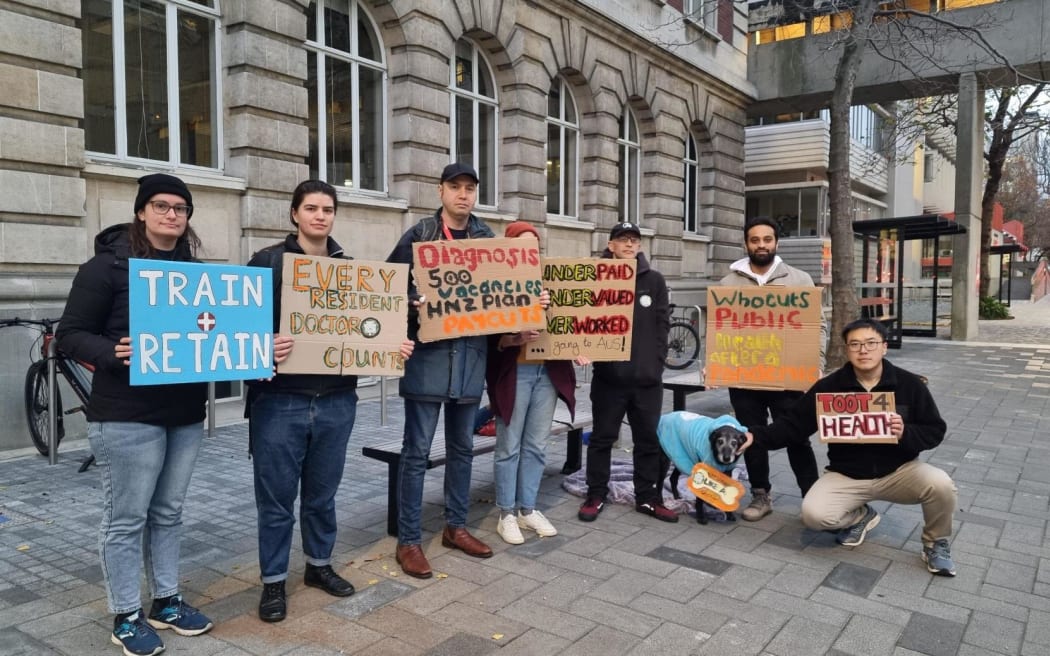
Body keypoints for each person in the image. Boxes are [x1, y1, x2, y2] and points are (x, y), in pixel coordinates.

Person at [56, 174, 214, 656]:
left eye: (180, 208)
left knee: (168, 512)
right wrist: (112, 352)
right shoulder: (104, 269)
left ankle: (166, 600)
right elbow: (70, 335)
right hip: (125, 415)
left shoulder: (197, 274)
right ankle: (126, 613)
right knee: (126, 519)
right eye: (162, 206)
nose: (172, 215)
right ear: (141, 212)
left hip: (184, 413)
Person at [246, 180, 414, 622]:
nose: (320, 216)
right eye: (311, 208)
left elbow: (372, 329)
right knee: (277, 500)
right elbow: (239, 330)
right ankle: (273, 581)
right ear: (294, 213)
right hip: (279, 402)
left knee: (322, 495)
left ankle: (319, 567)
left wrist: (394, 345)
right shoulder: (267, 263)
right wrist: (263, 345)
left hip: (338, 400)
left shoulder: (352, 270)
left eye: (327, 209)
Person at [741, 318, 958, 576]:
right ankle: (860, 516)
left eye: (870, 343)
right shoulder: (829, 388)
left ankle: (935, 543)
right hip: (846, 475)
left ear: (884, 347)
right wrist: (754, 436)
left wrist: (906, 432)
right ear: (846, 349)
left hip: (899, 472)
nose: (863, 350)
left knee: (941, 484)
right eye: (854, 344)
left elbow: (935, 430)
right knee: (813, 515)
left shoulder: (909, 384)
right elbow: (792, 426)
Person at [386, 162, 495, 578]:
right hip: (428, 360)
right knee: (416, 453)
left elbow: (503, 294)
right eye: (455, 187)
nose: (463, 194)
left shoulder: (487, 240)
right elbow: (387, 283)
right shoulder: (420, 235)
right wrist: (411, 298)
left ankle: (456, 526)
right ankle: (409, 540)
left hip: (469, 361)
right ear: (441, 191)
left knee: (462, 450)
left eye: (470, 187)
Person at [719, 215, 825, 521]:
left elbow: (817, 325)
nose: (761, 245)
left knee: (797, 436)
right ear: (746, 244)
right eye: (755, 240)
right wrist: (715, 366)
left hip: (788, 377)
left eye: (767, 239)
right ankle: (761, 495)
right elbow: (720, 329)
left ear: (776, 243)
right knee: (750, 437)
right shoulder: (728, 283)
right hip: (744, 378)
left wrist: (814, 364)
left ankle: (812, 497)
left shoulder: (800, 280)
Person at [486, 221, 583, 544]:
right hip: (515, 374)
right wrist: (513, 338)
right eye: (521, 247)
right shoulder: (496, 283)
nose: (529, 253)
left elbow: (575, 318)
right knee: (509, 445)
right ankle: (506, 513)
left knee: (537, 446)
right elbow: (488, 337)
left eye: (534, 248)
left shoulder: (552, 282)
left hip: (548, 373)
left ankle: (527, 508)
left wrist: (582, 347)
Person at [578, 221, 673, 523]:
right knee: (602, 439)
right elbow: (583, 318)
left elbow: (662, 325)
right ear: (611, 245)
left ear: (640, 246)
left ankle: (647, 497)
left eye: (634, 240)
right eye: (623, 240)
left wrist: (656, 363)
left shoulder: (654, 280)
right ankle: (595, 493)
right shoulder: (597, 278)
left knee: (647, 442)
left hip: (647, 381)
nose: (629, 245)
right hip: (609, 379)